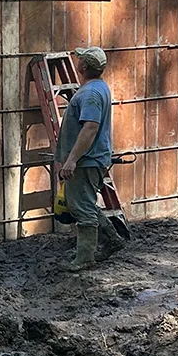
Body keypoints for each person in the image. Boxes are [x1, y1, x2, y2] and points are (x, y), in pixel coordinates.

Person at [57, 46, 125, 271]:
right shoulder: (98, 88)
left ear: (84, 66)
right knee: (84, 202)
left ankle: (85, 258)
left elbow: (90, 129)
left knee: (81, 208)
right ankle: (112, 239)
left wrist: (72, 160)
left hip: (86, 160)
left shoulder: (91, 94)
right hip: (92, 158)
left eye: (80, 59)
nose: (77, 61)